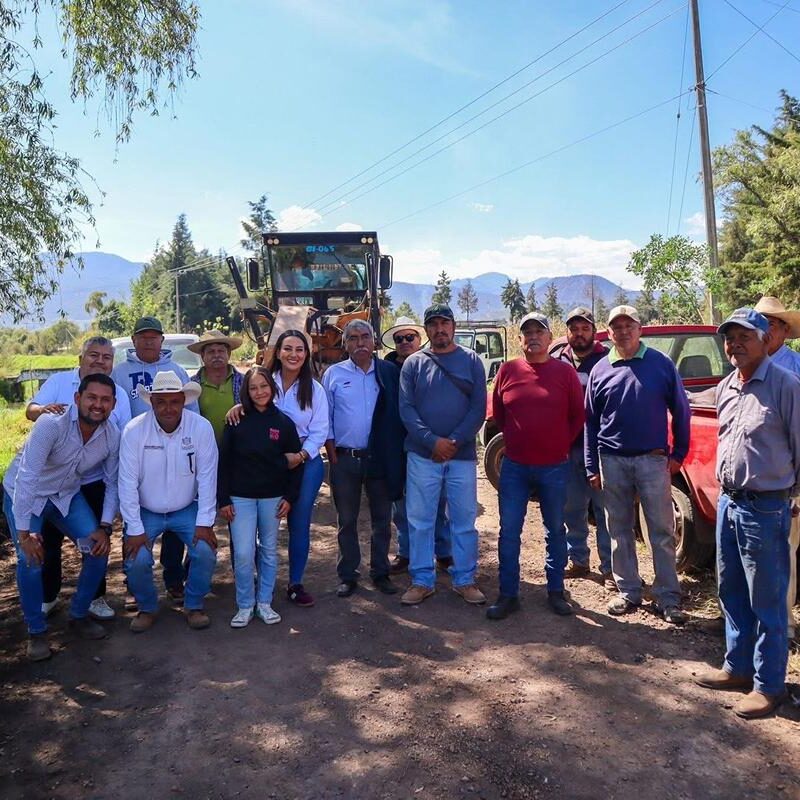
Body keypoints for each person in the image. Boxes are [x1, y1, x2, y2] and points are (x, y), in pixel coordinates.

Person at [694, 308, 800, 719]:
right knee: (731, 590)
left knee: (768, 601)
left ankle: (768, 685)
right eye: (729, 338)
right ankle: (737, 668)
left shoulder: (786, 386)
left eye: (744, 337)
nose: (735, 344)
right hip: (729, 502)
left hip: (767, 507)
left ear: (764, 339)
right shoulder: (726, 388)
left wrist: (794, 497)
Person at [585, 305, 690, 623]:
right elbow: (590, 422)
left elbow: (682, 410)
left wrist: (679, 454)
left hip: (652, 460)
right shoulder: (600, 370)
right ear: (610, 332)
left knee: (661, 531)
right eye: (616, 327)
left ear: (639, 328)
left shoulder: (660, 364)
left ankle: (668, 597)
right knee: (619, 528)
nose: (623, 331)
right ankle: (628, 591)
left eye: (628, 325)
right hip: (612, 460)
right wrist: (592, 465)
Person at [3, 374, 120, 661]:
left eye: (105, 400)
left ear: (114, 405)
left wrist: (105, 526)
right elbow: (27, 477)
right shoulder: (50, 425)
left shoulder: (111, 436)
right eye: (92, 397)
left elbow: (113, 482)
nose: (98, 405)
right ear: (78, 399)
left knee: (98, 548)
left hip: (66, 496)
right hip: (26, 495)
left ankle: (78, 615)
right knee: (30, 559)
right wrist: (23, 535)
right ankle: (36, 631)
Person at [26, 336, 131, 621]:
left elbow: (121, 441)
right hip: (49, 481)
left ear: (112, 362)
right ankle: (47, 599)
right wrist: (44, 412)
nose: (99, 361)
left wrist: (109, 523)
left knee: (95, 542)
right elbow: (30, 410)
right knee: (45, 544)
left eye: (106, 357)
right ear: (81, 358)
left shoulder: (118, 396)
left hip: (91, 479)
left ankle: (92, 599)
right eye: (93, 355)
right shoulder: (60, 384)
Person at [487, 312, 584, 620]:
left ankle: (555, 591)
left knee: (555, 529)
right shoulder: (508, 370)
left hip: (554, 466)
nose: (533, 337)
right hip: (515, 466)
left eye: (539, 331)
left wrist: (558, 444)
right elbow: (499, 415)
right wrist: (517, 441)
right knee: (509, 531)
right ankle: (508, 594)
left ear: (548, 336)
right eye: (527, 332)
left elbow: (577, 416)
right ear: (520, 340)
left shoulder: (564, 373)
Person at [226, 329, 330, 607]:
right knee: (255, 522)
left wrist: (301, 455)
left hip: (303, 463)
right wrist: (237, 407)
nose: (293, 355)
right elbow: (253, 402)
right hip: (265, 465)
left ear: (306, 354)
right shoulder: (265, 381)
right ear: (278, 352)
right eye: (288, 349)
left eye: (299, 349)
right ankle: (252, 580)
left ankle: (295, 583)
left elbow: (320, 431)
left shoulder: (315, 389)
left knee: (297, 522)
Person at [399, 303, 487, 606]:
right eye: (433, 324)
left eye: (444, 323)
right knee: (420, 520)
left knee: (463, 520)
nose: (440, 329)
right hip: (423, 457)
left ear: (453, 326)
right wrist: (432, 442)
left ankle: (464, 579)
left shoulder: (472, 361)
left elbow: (478, 408)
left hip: (461, 458)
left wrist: (453, 441)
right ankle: (422, 580)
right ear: (426, 330)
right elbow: (406, 410)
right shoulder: (413, 364)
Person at [119, 372, 218, 632]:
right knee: (137, 558)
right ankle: (147, 607)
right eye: (161, 402)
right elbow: (126, 483)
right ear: (151, 403)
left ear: (184, 400)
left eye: (174, 401)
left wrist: (205, 521)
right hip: (146, 509)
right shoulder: (134, 430)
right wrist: (134, 528)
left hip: (186, 507)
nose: (168, 408)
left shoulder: (201, 428)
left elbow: (208, 478)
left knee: (206, 551)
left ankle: (194, 604)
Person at [112, 316, 199, 604]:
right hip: (136, 453)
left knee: (175, 513)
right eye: (143, 336)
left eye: (154, 336)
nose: (149, 341)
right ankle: (134, 583)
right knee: (135, 516)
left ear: (162, 340)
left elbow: (192, 412)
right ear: (134, 340)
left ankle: (173, 578)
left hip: (174, 451)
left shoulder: (175, 371)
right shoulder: (120, 373)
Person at [322, 319, 406, 598]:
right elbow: (326, 419)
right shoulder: (333, 375)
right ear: (345, 344)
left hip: (379, 458)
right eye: (354, 338)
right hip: (345, 459)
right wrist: (332, 454)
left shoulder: (388, 373)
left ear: (374, 341)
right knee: (346, 520)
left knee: (382, 520)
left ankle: (380, 572)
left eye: (365, 337)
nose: (360, 343)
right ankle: (348, 575)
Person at [218, 367, 303, 628]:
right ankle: (245, 605)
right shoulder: (236, 420)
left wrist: (290, 497)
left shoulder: (284, 423)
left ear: (272, 387)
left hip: (273, 498)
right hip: (240, 497)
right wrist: (224, 500)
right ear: (247, 391)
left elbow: (295, 463)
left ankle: (264, 602)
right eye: (253, 388)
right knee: (243, 552)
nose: (259, 392)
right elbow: (224, 463)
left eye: (264, 386)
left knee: (268, 550)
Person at [381, 316, 451, 575]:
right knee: (400, 503)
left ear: (419, 340)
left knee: (438, 500)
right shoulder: (385, 370)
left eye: (409, 337)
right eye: (399, 339)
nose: (405, 342)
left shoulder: (432, 364)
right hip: (396, 443)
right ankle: (406, 552)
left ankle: (443, 551)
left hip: (427, 442)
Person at [753, 295, 800, 643]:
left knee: (783, 553)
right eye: (760, 322)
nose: (764, 330)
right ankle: (739, 619)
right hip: (750, 482)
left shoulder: (793, 368)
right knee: (743, 556)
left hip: (784, 482)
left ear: (785, 329)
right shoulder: (747, 365)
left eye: (771, 323)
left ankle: (783, 625)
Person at [555, 307, 613, 588]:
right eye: (574, 328)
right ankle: (578, 559)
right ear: (567, 332)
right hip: (567, 447)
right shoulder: (558, 360)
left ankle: (610, 568)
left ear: (594, 330)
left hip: (601, 448)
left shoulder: (608, 359)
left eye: (584, 328)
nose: (579, 333)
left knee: (605, 510)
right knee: (572, 507)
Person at [188, 329, 244, 445]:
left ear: (228, 354)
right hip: (202, 449)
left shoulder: (243, 382)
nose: (216, 355)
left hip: (238, 451)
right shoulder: (192, 386)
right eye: (211, 352)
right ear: (202, 356)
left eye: (221, 351)